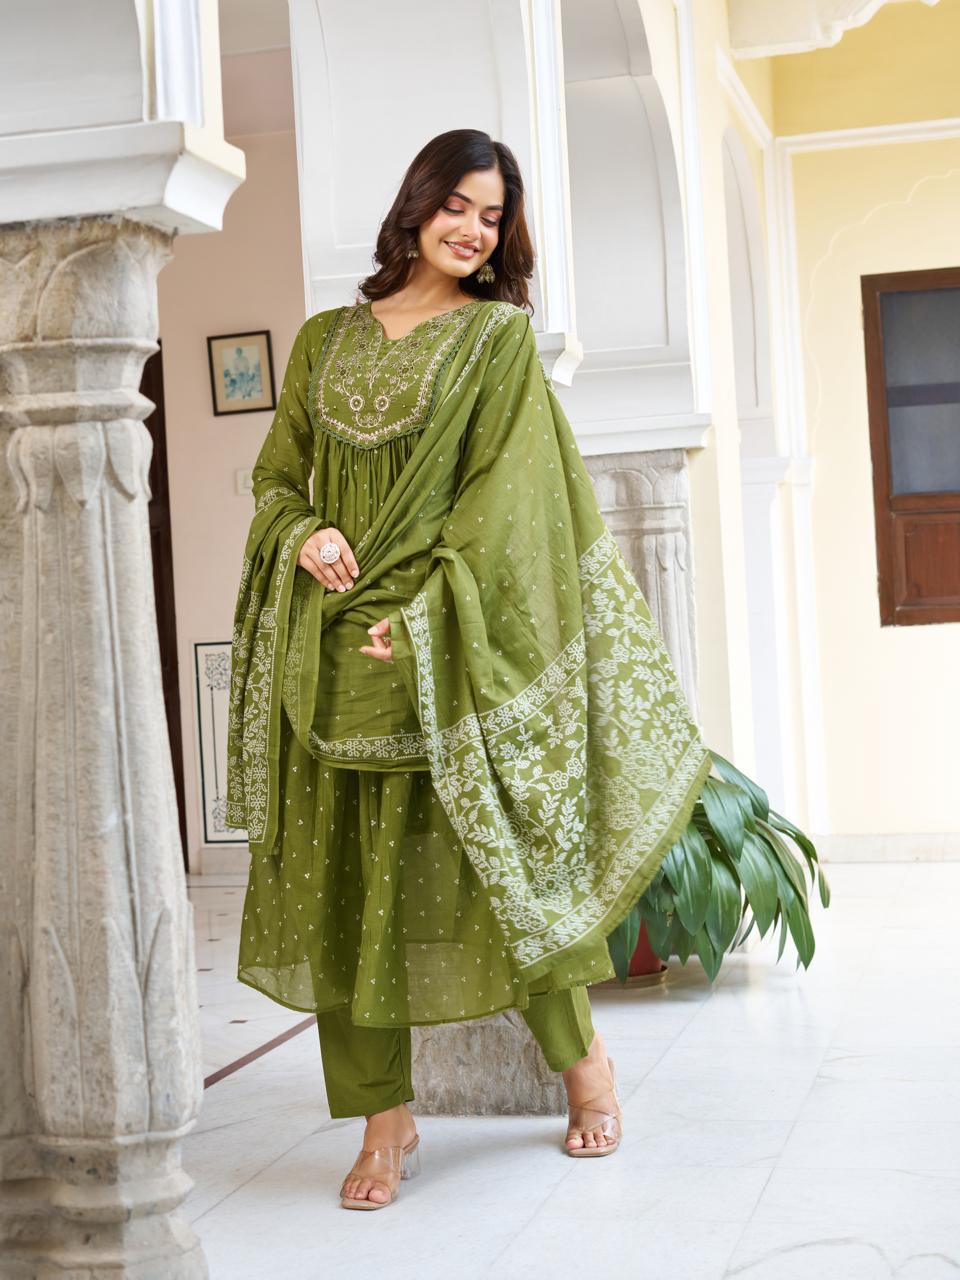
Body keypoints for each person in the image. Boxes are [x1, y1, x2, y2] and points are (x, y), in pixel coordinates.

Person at [226, 128, 713, 1210]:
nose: (472, 229)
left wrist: (434, 612)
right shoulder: (321, 341)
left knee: (504, 872)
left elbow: (512, 504)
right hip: (331, 651)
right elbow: (272, 480)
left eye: (492, 216)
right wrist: (303, 532)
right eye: (458, 204)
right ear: (416, 205)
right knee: (340, 890)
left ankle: (584, 1062)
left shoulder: (496, 341)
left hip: (442, 647)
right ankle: (383, 1120)